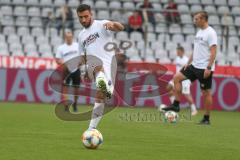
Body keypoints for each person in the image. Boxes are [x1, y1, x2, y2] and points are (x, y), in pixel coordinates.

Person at [163, 11, 218, 125]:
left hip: (204, 68)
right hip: (194, 65)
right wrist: (188, 62)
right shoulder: (199, 32)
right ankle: (176, 105)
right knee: (176, 78)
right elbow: (196, 50)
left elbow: (213, 52)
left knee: (206, 93)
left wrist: (208, 67)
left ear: (203, 19)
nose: (195, 21)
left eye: (197, 19)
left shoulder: (211, 33)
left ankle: (206, 118)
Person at [76, 4, 124, 129]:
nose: (83, 20)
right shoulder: (81, 36)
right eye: (80, 17)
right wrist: (83, 71)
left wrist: (113, 24)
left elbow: (120, 27)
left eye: (86, 16)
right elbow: (82, 57)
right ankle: (91, 130)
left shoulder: (102, 24)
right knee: (95, 63)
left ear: (91, 14)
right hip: (95, 67)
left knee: (101, 96)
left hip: (109, 67)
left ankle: (91, 128)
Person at [166, 46, 197, 116]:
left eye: (178, 52)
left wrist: (189, 80)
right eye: (177, 52)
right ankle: (174, 105)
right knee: (168, 87)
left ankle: (194, 109)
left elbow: (189, 70)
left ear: (182, 52)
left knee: (186, 94)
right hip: (177, 78)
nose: (177, 53)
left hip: (185, 79)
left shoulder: (186, 60)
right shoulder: (177, 58)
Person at [55, 29, 80, 112]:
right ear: (65, 38)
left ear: (72, 37)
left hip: (76, 69)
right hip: (66, 70)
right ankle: (66, 106)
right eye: (67, 37)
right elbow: (57, 59)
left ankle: (75, 104)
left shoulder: (77, 46)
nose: (69, 38)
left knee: (76, 89)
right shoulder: (61, 48)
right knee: (65, 88)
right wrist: (63, 63)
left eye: (70, 37)